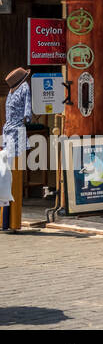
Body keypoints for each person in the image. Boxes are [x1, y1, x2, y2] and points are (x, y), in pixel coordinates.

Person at [3, 67, 32, 232]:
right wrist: (27, 117)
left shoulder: (10, 92)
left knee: (7, 177)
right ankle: (14, 222)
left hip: (7, 132)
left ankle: (5, 220)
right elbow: (27, 112)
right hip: (18, 132)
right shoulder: (25, 88)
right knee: (16, 177)